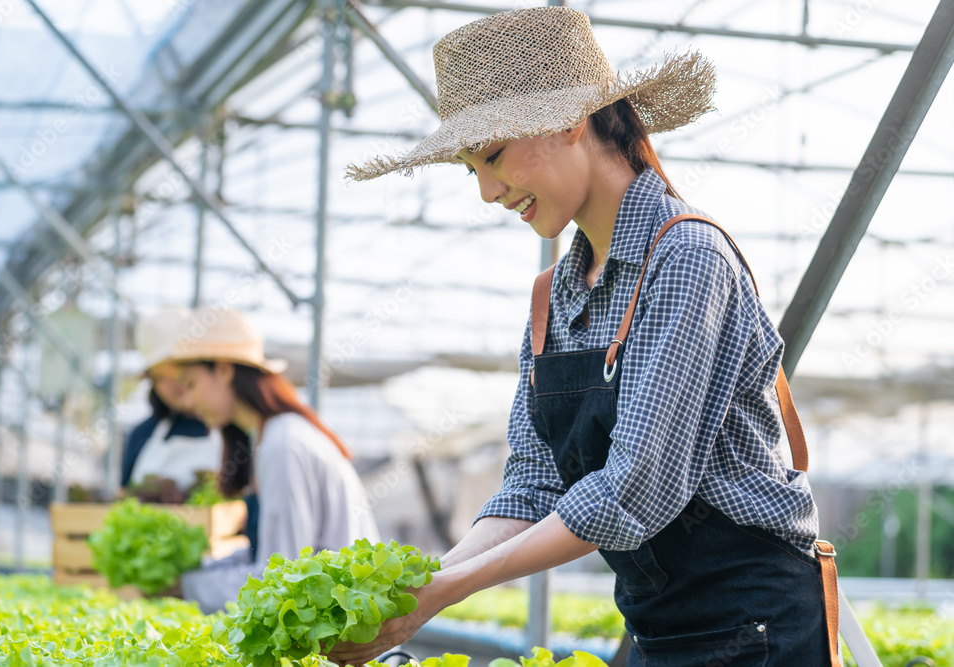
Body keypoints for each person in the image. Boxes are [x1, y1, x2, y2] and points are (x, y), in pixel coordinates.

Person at [336, 7, 838, 667]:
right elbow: (532, 484)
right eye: (470, 169)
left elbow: (633, 490)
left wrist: (445, 591)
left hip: (757, 628)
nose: (487, 191)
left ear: (570, 119)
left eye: (493, 155)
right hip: (658, 629)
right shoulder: (556, 296)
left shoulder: (686, 257)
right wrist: (419, 585)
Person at [172, 307, 381, 614]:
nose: (188, 402)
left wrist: (185, 586)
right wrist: (199, 572)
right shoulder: (272, 437)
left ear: (224, 371)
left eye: (190, 384)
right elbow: (270, 557)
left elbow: (284, 579)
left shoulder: (283, 444)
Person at [123, 306, 223, 492]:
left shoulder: (232, 431)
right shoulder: (141, 435)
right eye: (163, 375)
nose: (177, 382)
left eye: (181, 370)